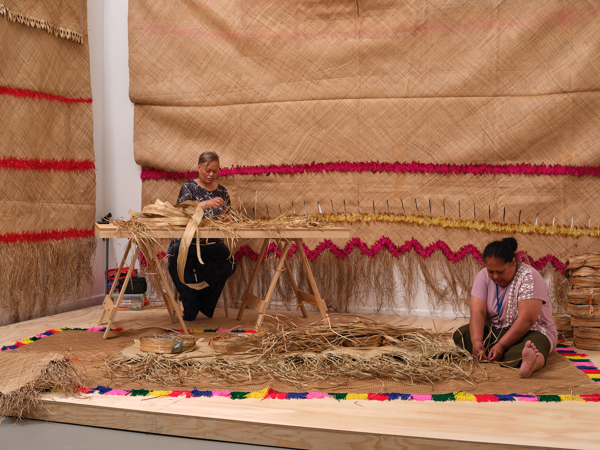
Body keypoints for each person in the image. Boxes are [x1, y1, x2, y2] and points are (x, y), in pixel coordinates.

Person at [453, 237, 557, 377]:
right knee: (463, 334)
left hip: (529, 331)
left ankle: (533, 361)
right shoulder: (483, 276)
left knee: (534, 344)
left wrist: (501, 345)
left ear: (513, 262)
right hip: (495, 330)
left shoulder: (529, 277)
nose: (495, 276)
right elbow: (478, 312)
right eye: (491, 271)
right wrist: (477, 341)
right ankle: (506, 354)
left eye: (500, 272)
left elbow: (526, 321)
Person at [167, 151, 236, 320]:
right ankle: (191, 305)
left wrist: (229, 218)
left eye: (215, 171)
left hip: (211, 244)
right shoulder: (188, 187)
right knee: (175, 259)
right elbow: (182, 211)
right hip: (186, 242)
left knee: (229, 263)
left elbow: (231, 216)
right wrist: (206, 204)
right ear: (198, 167)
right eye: (207, 170)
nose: (211, 174)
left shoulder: (222, 191)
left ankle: (202, 303)